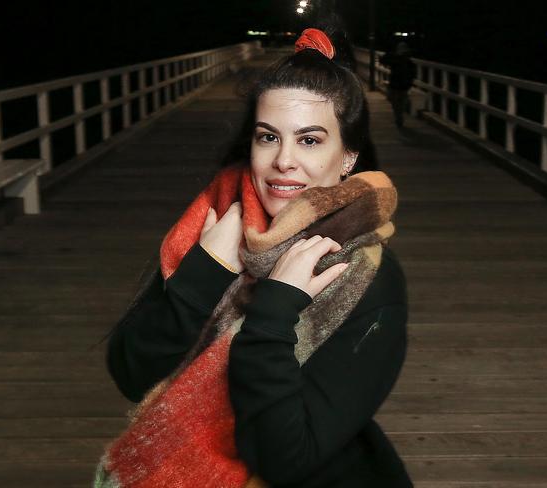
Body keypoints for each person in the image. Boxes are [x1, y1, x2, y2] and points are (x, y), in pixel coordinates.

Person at [95, 24, 413, 488]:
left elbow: (282, 460)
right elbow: (132, 373)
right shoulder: (214, 227)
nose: (283, 160)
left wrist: (275, 310)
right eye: (268, 137)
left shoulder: (366, 277)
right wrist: (204, 272)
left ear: (347, 156)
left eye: (309, 140)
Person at [381, 42, 416, 128]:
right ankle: (399, 117)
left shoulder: (401, 60)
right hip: (401, 85)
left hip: (398, 85)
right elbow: (384, 60)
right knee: (397, 102)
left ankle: (399, 118)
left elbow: (384, 60)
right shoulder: (400, 60)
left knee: (396, 102)